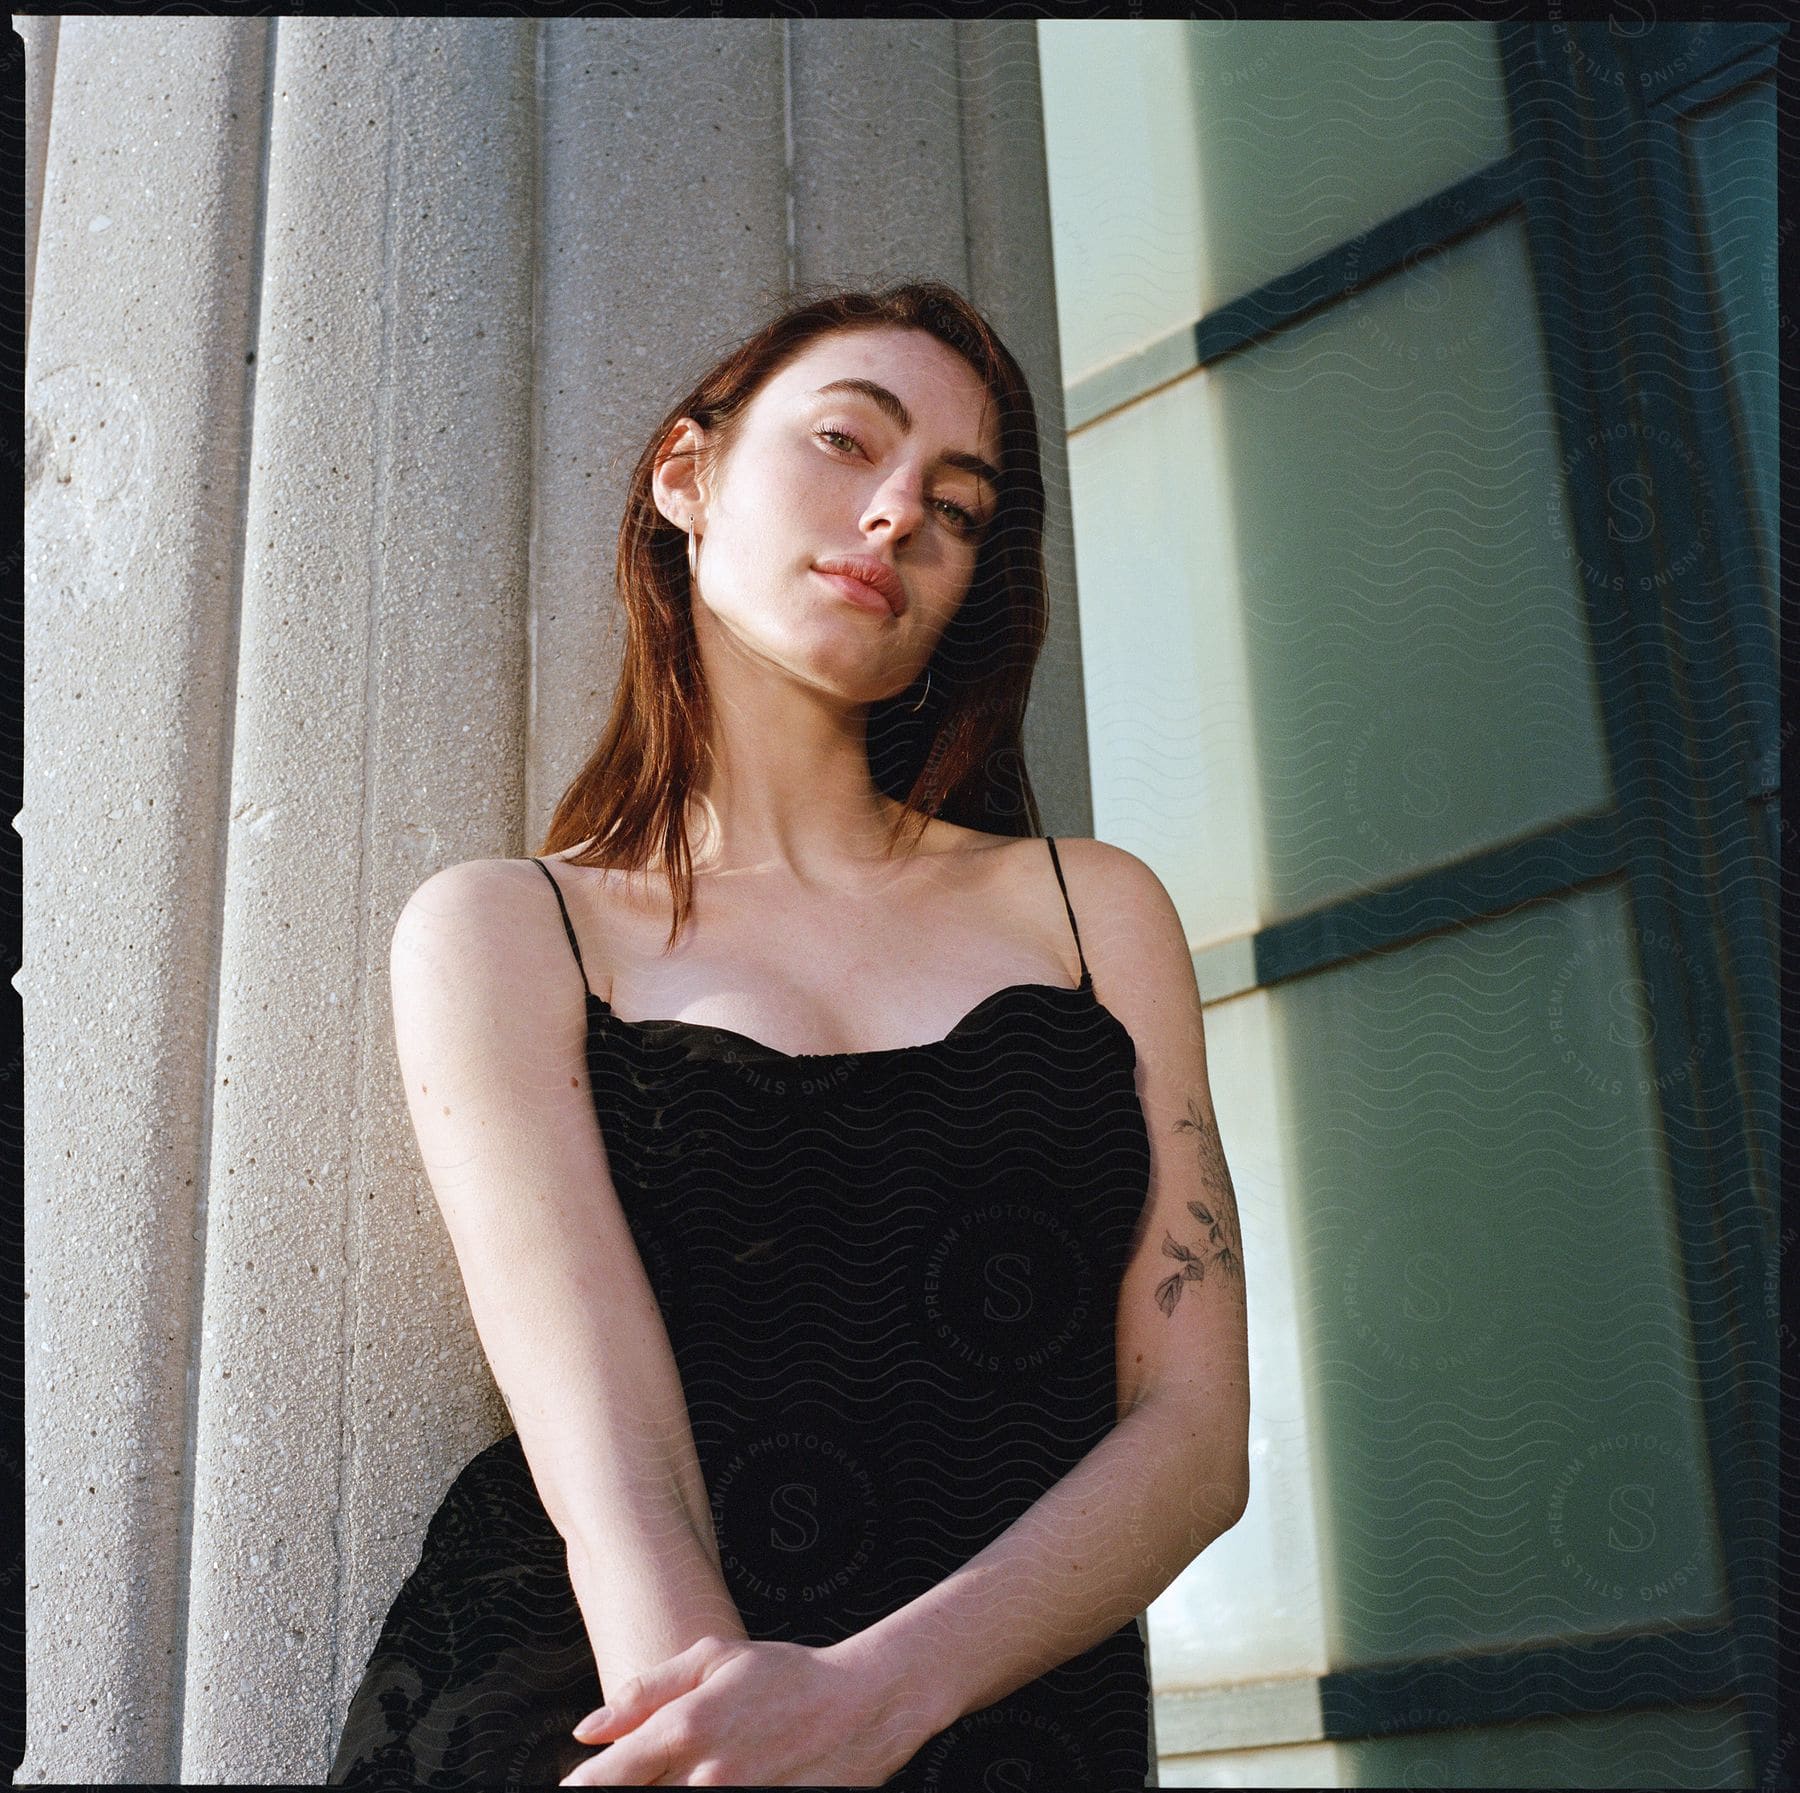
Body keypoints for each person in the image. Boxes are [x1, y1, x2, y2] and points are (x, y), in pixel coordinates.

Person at [329, 281, 1250, 1789]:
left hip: (1005, 1710)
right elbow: (612, 1463)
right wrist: (725, 1732)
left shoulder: (1093, 910)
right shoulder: (507, 928)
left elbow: (1197, 1433)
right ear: (685, 477)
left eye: (957, 506)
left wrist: (877, 1694)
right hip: (618, 1715)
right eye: (845, 441)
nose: (896, 513)